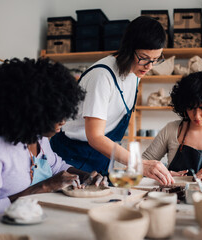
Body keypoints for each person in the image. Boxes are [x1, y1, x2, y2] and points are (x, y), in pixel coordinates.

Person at [0, 58, 107, 225]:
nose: (63, 121)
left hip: (42, 222)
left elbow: (56, 166)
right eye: (56, 115)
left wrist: (84, 175)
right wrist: (44, 187)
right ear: (32, 112)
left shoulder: (38, 136)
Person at [50, 16, 174, 185]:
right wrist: (138, 164)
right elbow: (95, 136)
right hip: (71, 157)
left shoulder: (135, 74)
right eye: (144, 58)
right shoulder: (102, 76)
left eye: (156, 59)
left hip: (99, 159)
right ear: (129, 48)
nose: (149, 66)